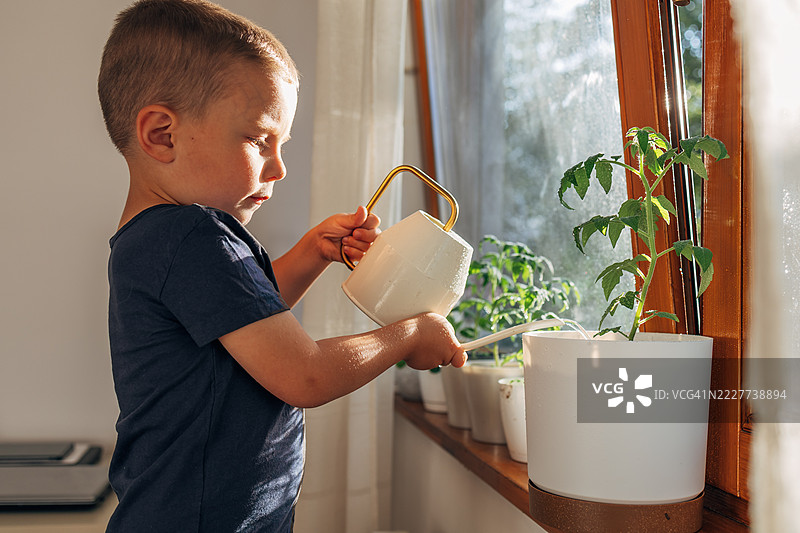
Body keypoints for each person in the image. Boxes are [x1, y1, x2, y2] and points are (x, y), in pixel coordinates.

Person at [97, 1, 466, 531]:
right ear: (162, 134)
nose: (279, 166)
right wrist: (410, 335)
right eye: (258, 139)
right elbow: (304, 374)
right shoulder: (191, 234)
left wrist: (312, 253)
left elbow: (242, 324)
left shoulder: (158, 238)